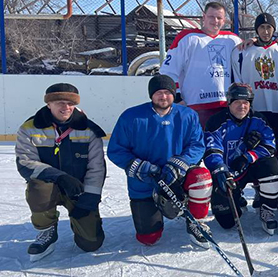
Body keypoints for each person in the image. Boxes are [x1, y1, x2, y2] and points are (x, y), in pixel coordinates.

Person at [107, 75, 212, 247]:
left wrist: (182, 162)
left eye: (167, 92)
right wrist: (137, 165)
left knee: (201, 177)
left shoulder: (188, 115)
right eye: (158, 93)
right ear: (151, 95)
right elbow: (116, 149)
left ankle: (196, 222)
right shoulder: (131, 117)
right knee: (148, 238)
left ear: (173, 94)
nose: (163, 96)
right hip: (145, 182)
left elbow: (197, 145)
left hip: (177, 177)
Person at [16, 83, 107, 260]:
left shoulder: (89, 130)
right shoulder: (29, 128)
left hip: (78, 189)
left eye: (69, 103)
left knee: (91, 243)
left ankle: (80, 221)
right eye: (59, 102)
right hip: (49, 186)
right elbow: (25, 163)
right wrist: (60, 177)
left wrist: (89, 198)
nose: (65, 107)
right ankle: (46, 230)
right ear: (48, 104)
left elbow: (96, 168)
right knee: (38, 188)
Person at [204, 83, 278, 235]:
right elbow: (212, 150)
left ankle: (267, 208)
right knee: (227, 222)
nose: (242, 106)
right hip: (227, 174)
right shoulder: (216, 121)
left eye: (246, 102)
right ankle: (237, 197)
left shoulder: (258, 119)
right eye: (237, 102)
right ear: (229, 102)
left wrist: (249, 156)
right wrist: (221, 169)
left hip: (249, 168)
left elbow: (270, 146)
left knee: (271, 164)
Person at [159, 1, 243, 127]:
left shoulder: (233, 39)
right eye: (211, 17)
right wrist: (176, 96)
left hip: (225, 105)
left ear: (224, 20)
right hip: (194, 105)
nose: (215, 21)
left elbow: (250, 53)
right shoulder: (187, 37)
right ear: (203, 17)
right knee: (195, 144)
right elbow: (168, 71)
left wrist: (253, 40)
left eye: (219, 18)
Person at [231, 12, 278, 136]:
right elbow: (237, 82)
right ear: (257, 29)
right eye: (262, 27)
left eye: (269, 27)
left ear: (274, 29)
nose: (266, 32)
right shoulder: (241, 52)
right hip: (252, 110)